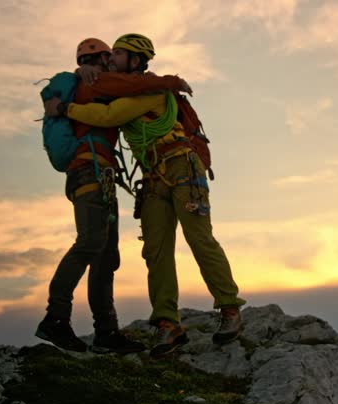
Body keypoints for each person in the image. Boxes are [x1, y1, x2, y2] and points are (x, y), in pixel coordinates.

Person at [45, 34, 246, 358]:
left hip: (181, 166)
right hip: (154, 176)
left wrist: (66, 108)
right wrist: (81, 74)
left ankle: (230, 309)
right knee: (156, 250)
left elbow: (110, 117)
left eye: (119, 53)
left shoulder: (151, 89)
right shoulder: (119, 88)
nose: (112, 59)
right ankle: (168, 325)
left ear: (136, 59)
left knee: (199, 239)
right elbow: (101, 92)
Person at [36, 38, 191, 354]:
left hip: (100, 175)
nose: (110, 64)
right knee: (91, 243)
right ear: (96, 60)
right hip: (89, 172)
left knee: (106, 256)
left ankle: (106, 332)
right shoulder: (91, 84)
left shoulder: (93, 83)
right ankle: (55, 318)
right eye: (108, 58)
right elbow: (130, 86)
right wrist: (170, 82)